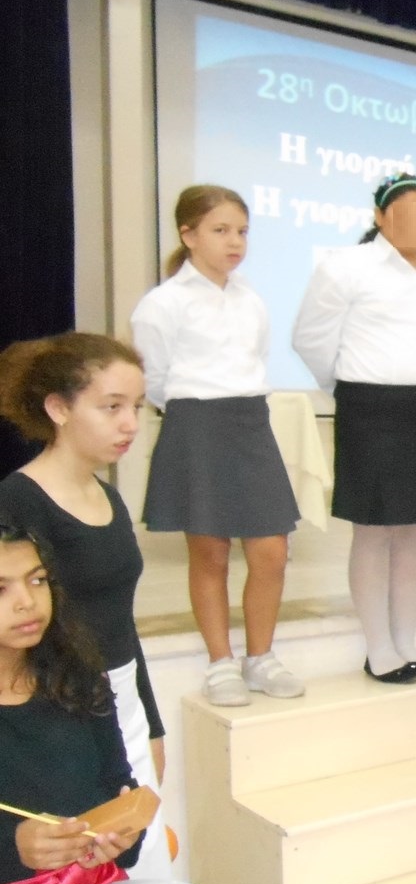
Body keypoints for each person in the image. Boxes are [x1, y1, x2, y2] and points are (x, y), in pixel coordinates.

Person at [0, 334, 171, 880]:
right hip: (66, 710)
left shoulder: (109, 496)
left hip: (118, 698)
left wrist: (150, 723)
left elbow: (121, 621)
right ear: (59, 408)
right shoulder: (19, 501)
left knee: (144, 866)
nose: (130, 424)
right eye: (111, 407)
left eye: (137, 407)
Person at [131, 185, 304, 708]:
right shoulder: (162, 303)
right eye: (220, 230)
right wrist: (195, 413)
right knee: (210, 554)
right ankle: (220, 662)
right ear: (188, 235)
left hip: (250, 423)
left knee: (272, 551)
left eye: (242, 231)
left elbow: (258, 358)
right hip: (196, 425)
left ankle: (261, 657)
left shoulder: (251, 299)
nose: (235, 242)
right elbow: (154, 379)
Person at [292, 173, 416, 683]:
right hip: (372, 407)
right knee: (373, 531)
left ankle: (406, 640)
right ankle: (378, 648)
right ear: (379, 216)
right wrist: (349, 385)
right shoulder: (346, 266)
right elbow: (311, 339)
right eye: (406, 211)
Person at [0, 523, 145, 884]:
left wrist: (121, 835)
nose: (26, 602)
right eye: (1, 588)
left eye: (37, 580)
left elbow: (118, 782)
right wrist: (12, 845)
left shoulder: (76, 675)